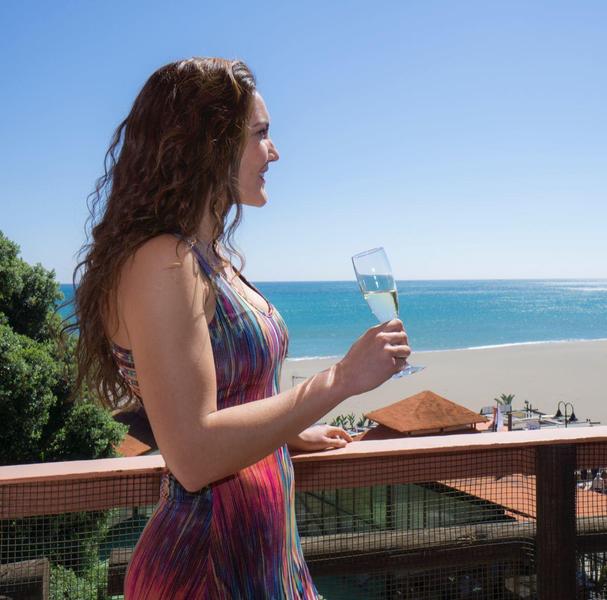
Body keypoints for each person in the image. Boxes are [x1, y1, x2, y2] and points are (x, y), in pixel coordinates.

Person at [70, 58, 412, 599]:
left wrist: (289, 433)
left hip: (264, 554)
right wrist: (341, 379)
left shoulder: (207, 257)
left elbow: (220, 394)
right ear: (210, 142)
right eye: (261, 134)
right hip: (207, 567)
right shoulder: (163, 262)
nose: (274, 152)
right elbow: (193, 454)